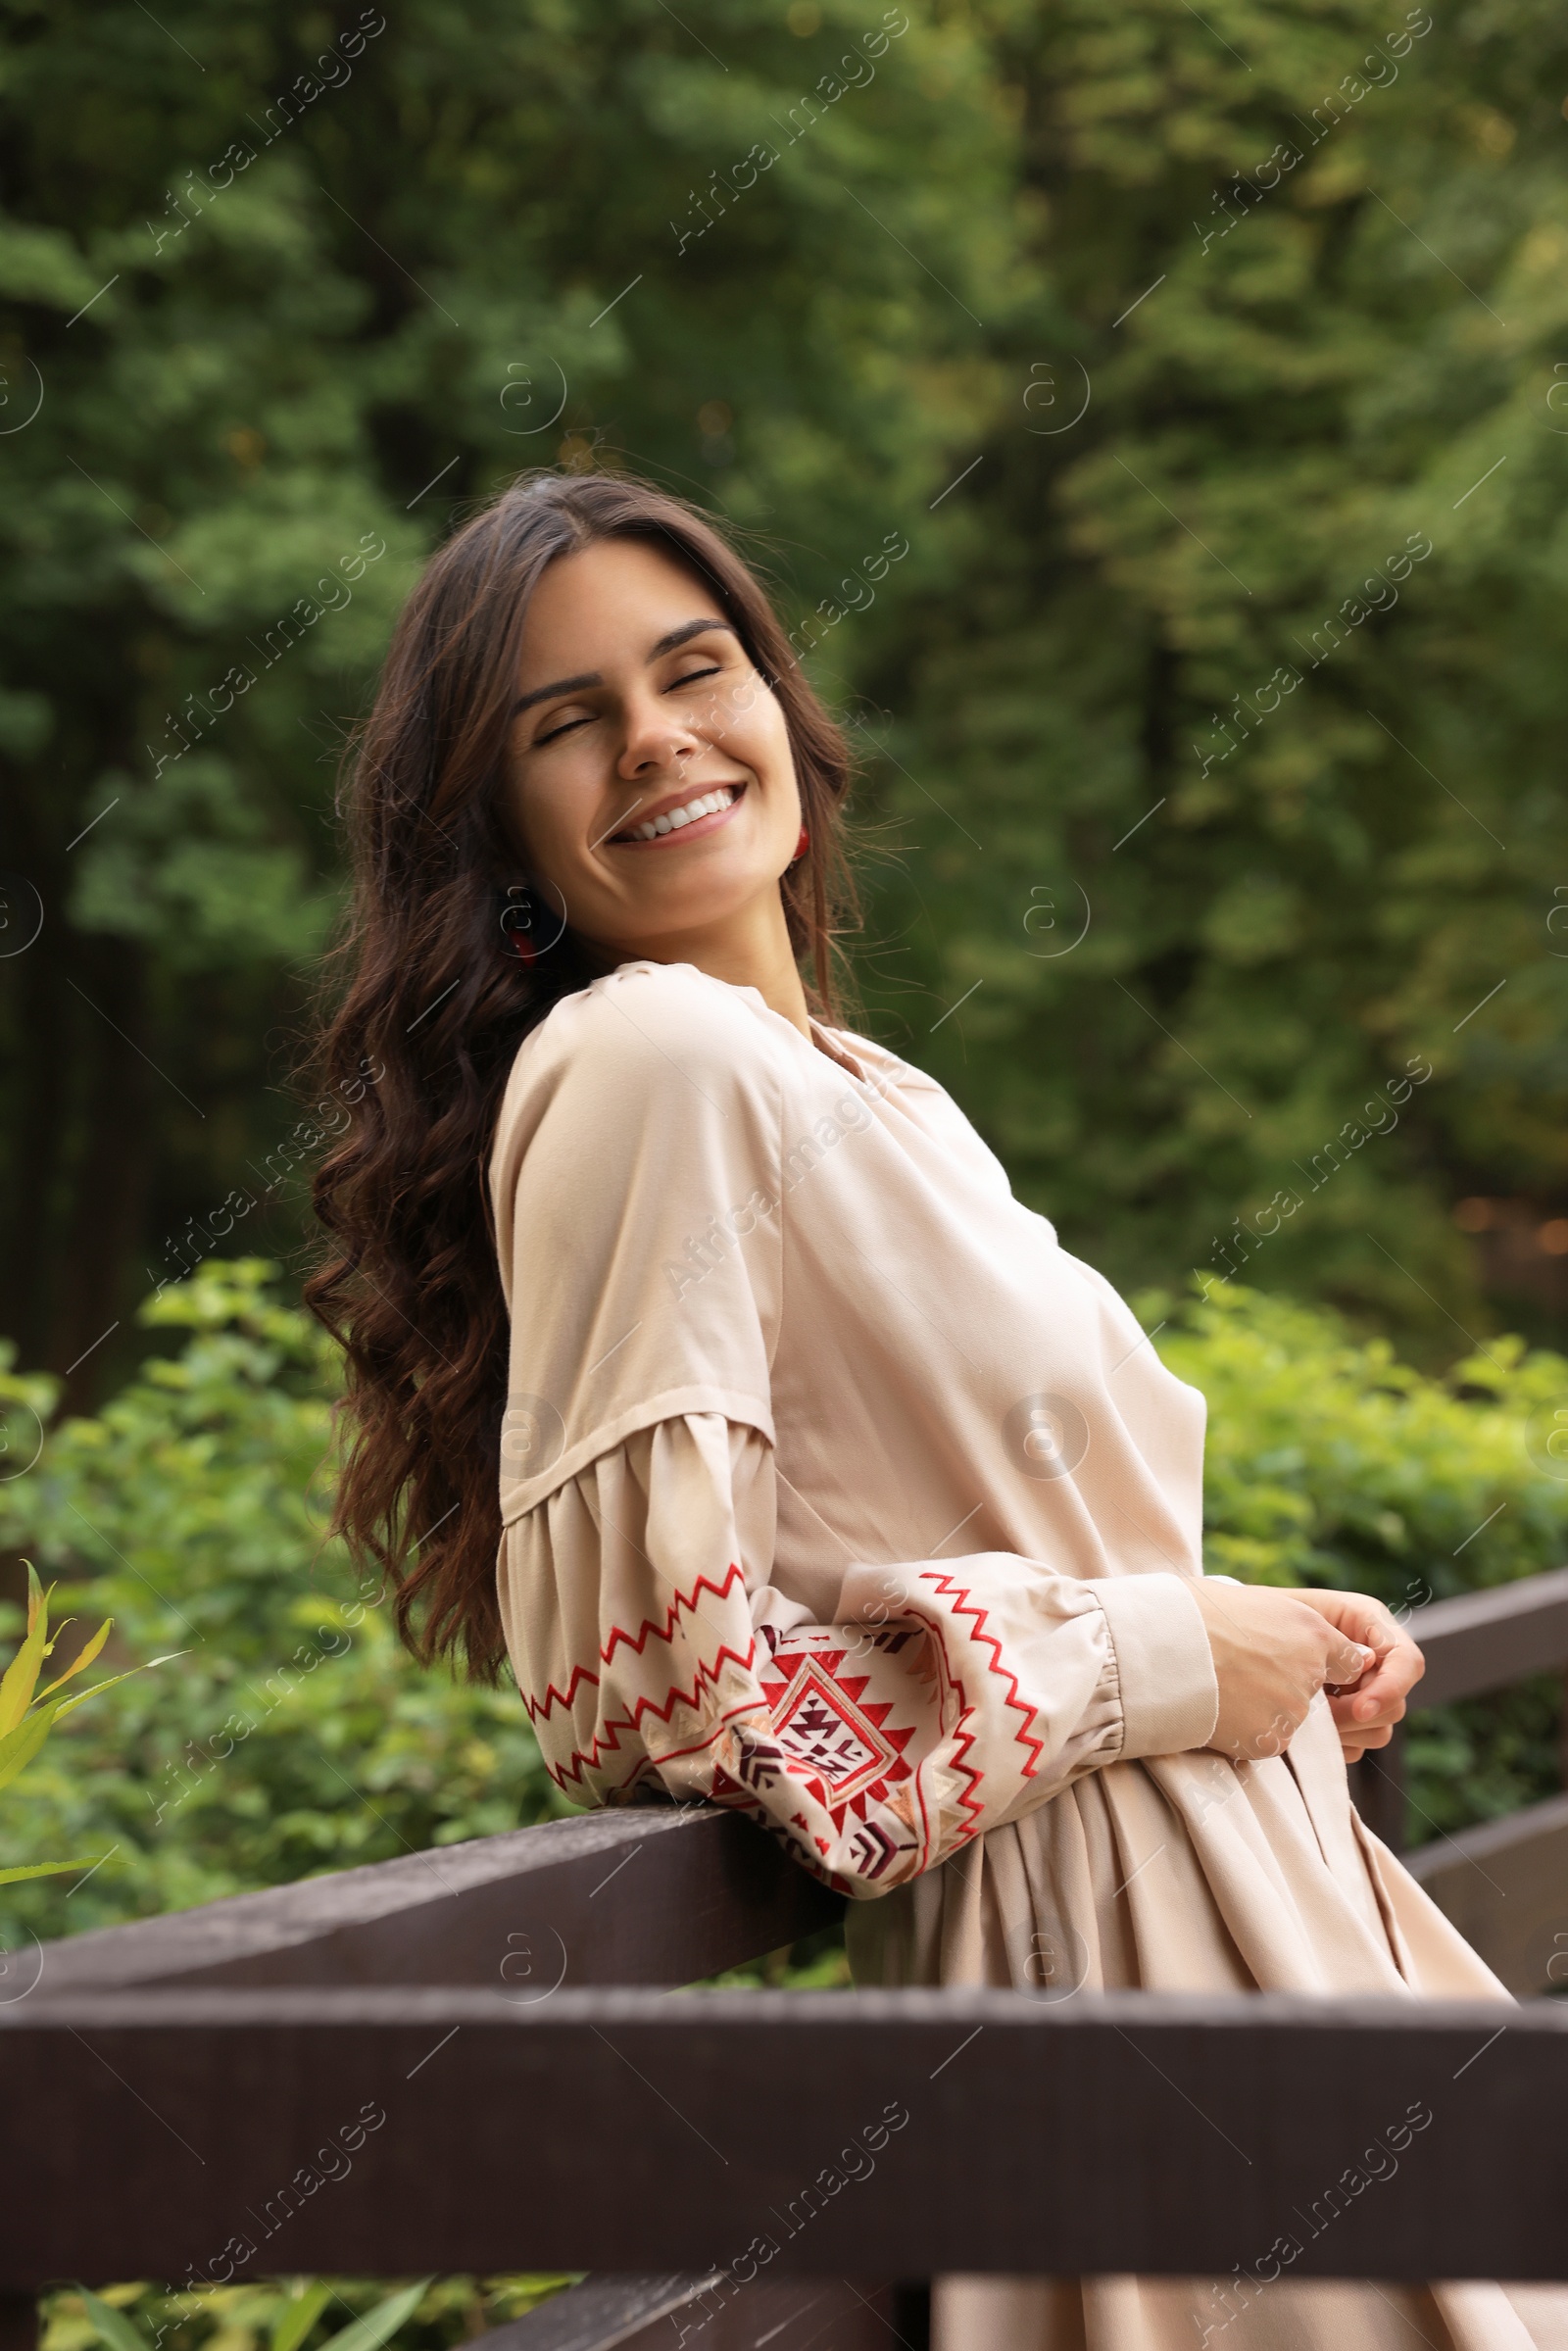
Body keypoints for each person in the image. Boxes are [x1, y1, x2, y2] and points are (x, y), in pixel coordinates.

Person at [309, 467, 1564, 2351]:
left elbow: (1005, 1529)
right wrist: (1152, 1656)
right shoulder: (649, 1057)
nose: (656, 741)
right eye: (565, 725)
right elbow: (647, 1688)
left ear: (778, 705)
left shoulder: (869, 1085)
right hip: (1127, 2000)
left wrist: (1259, 1637)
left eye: (693, 670)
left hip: (1266, 1933)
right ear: (494, 832)